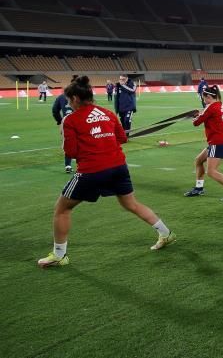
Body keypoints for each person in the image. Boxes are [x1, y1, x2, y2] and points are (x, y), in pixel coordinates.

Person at [36, 76, 176, 268]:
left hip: (92, 170)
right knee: (131, 204)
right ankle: (165, 233)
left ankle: (59, 255)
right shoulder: (107, 113)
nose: (69, 103)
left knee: (62, 208)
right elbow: (122, 139)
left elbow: (70, 152)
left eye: (69, 100)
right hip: (118, 166)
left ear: (76, 98)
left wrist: (68, 137)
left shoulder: (71, 119)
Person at [184, 85, 223, 201]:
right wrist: (200, 115)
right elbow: (210, 117)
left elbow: (196, 123)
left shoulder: (210, 107)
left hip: (218, 142)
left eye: (204, 98)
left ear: (209, 96)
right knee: (199, 160)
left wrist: (194, 117)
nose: (203, 100)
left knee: (211, 171)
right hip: (221, 140)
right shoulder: (220, 105)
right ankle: (199, 188)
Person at [52, 75, 78, 173]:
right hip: (80, 122)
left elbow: (54, 110)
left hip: (66, 122)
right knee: (83, 142)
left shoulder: (61, 97)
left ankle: (68, 165)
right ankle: (82, 164)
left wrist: (60, 121)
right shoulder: (82, 96)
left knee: (68, 143)